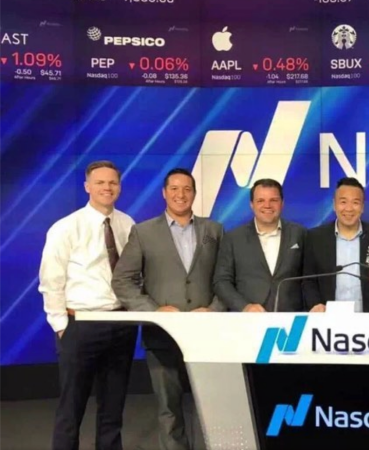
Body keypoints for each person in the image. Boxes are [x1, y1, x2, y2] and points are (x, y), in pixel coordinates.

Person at [112, 168, 224, 450]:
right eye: (174, 188)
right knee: (169, 408)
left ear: (194, 194)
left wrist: (215, 308)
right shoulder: (144, 232)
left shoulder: (214, 230)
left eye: (186, 189)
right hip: (162, 335)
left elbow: (226, 278)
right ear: (164, 193)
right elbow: (122, 280)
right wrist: (153, 310)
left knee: (213, 407)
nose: (180, 194)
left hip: (207, 332)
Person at [38, 160, 138, 450]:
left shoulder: (127, 223)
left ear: (119, 186)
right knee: (71, 408)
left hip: (121, 324)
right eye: (100, 182)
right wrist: (60, 326)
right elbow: (51, 279)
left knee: (113, 409)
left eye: (112, 183)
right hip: (81, 326)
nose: (107, 188)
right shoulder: (66, 227)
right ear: (87, 187)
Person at [303, 177, 369, 313]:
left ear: (362, 207)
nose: (349, 208)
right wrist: (315, 304)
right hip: (326, 321)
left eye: (355, 202)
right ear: (334, 205)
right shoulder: (315, 237)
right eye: (343, 202)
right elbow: (308, 280)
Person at [213, 178, 307, 312]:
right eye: (260, 201)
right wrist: (244, 306)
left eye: (273, 200)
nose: (267, 205)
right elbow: (221, 282)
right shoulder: (233, 238)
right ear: (252, 204)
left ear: (282, 203)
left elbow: (309, 279)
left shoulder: (300, 234)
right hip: (248, 321)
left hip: (291, 320)